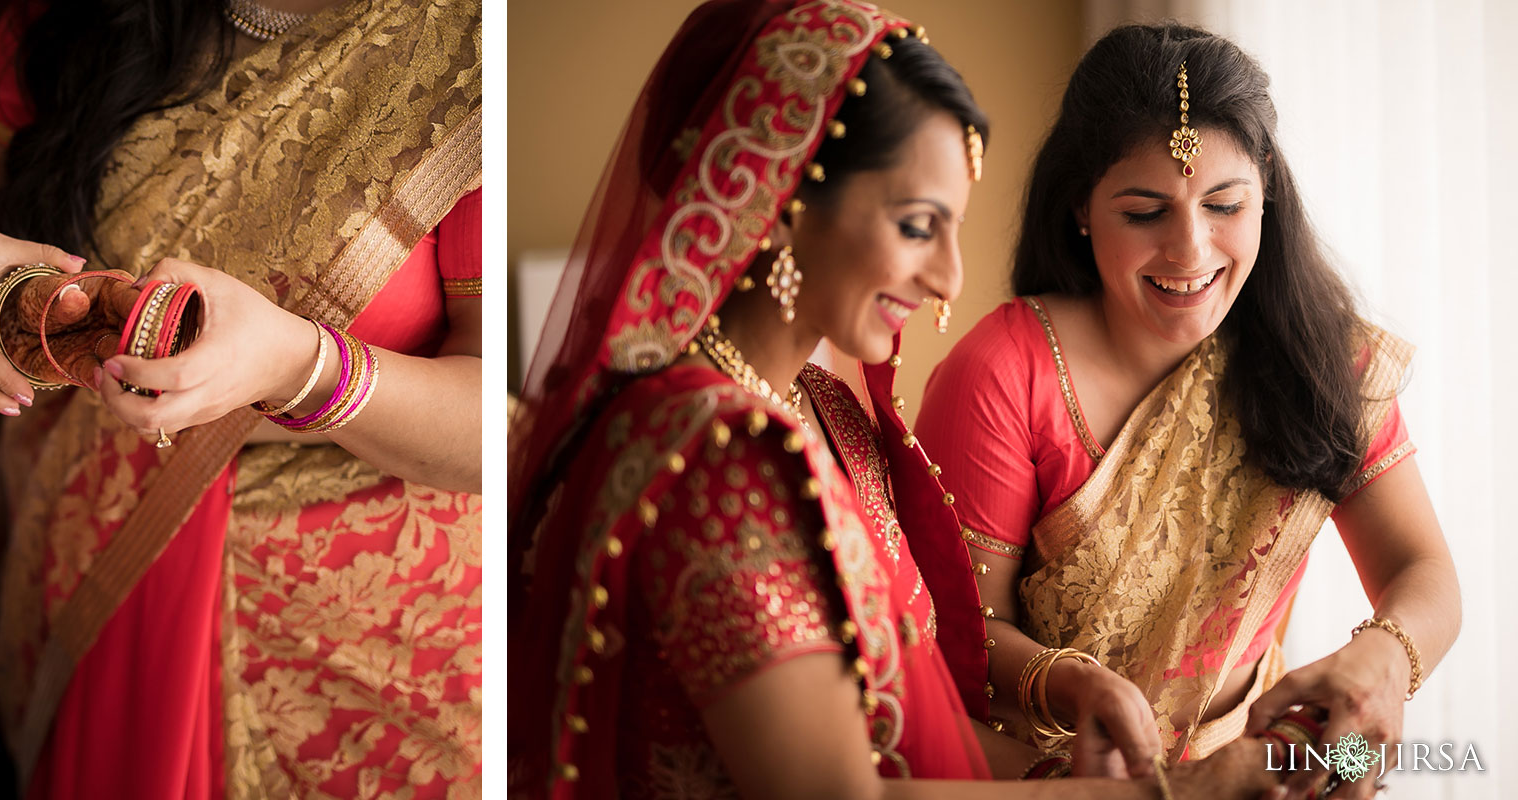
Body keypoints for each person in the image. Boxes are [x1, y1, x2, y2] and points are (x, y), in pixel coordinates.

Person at [509, 2, 1289, 798]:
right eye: (918, 226)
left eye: (952, 229)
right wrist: (1173, 793)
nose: (948, 277)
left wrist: (1096, 743)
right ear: (779, 200)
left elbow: (913, 740)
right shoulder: (719, 460)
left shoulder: (827, 413)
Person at [0, 0, 482, 796]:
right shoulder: (75, 16)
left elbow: (490, 431)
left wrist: (298, 367)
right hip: (88, 565)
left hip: (369, 661)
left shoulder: (468, 52)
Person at [916, 23, 1461, 798]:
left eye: (1224, 204)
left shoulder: (1321, 359)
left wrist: (1384, 658)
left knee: (1393, 765)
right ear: (1081, 205)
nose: (1191, 249)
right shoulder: (1004, 376)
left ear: (1266, 188)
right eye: (1145, 213)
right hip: (1057, 783)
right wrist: (1075, 686)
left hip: (1264, 773)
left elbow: (1425, 571)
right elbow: (956, 649)